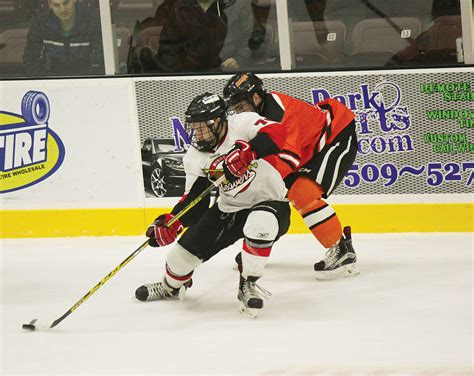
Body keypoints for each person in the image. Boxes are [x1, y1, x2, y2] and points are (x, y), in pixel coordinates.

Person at [135, 93, 290, 317]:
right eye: (194, 128)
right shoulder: (195, 157)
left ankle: (247, 284)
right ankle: (170, 287)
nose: (197, 133)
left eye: (202, 128)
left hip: (271, 203)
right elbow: (195, 202)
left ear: (218, 122)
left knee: (260, 224)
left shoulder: (242, 123)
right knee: (179, 259)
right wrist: (174, 222)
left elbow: (278, 133)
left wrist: (249, 152)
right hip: (229, 209)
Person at [223, 72, 360, 280]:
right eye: (234, 108)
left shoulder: (280, 114)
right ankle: (258, 247)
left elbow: (289, 158)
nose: (237, 112)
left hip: (335, 134)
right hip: (307, 146)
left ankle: (342, 250)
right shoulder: (252, 117)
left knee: (301, 192)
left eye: (240, 106)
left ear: (256, 98)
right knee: (269, 196)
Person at [23, 0, 104, 76]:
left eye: (66, 3)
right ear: (50, 4)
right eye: (56, 5)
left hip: (87, 79)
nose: (62, 9)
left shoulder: (93, 21)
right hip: (52, 80)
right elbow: (31, 60)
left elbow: (102, 60)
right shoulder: (40, 23)